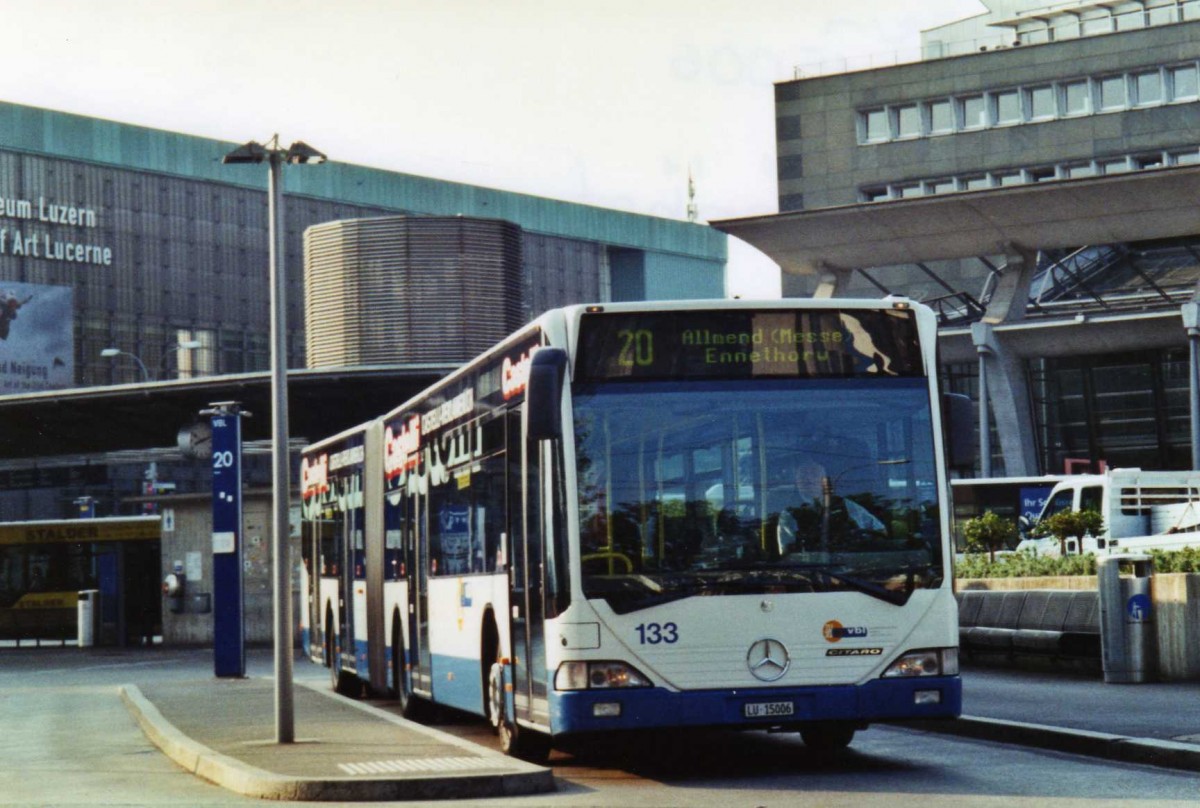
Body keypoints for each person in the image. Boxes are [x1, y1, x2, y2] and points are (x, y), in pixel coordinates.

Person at [773, 458, 885, 555]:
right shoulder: (789, 514)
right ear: (797, 481)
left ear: (825, 480)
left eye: (814, 473)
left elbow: (879, 530)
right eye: (803, 474)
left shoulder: (845, 505)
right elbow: (787, 554)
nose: (808, 479)